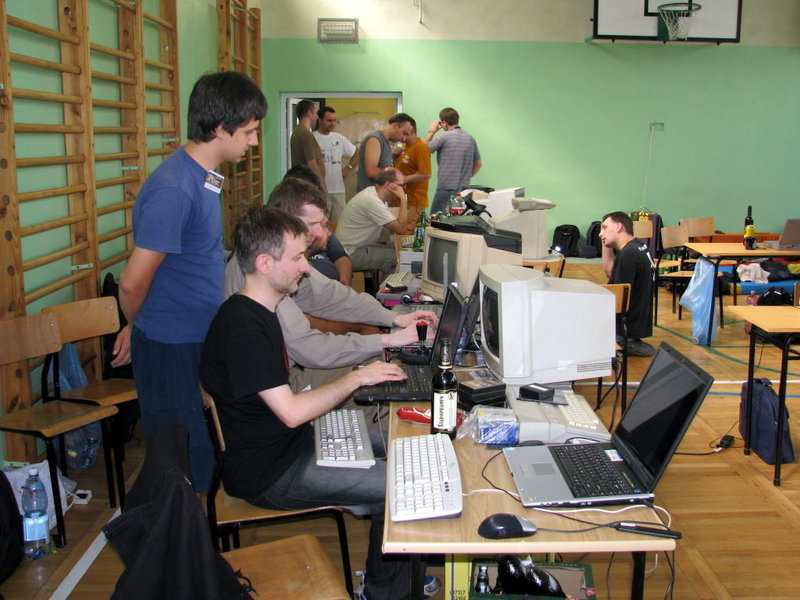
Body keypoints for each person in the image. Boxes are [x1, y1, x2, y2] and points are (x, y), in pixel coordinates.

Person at [201, 206, 420, 600]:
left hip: (291, 444)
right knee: (400, 487)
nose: (305, 268)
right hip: (271, 472)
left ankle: (395, 574)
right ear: (265, 263)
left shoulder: (260, 310)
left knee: (404, 447)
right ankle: (384, 591)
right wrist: (358, 376)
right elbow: (291, 412)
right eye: (298, 258)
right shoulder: (243, 329)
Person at [111, 71, 267, 492]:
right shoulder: (174, 189)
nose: (254, 142)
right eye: (249, 132)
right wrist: (136, 327)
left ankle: (199, 526)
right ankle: (176, 532)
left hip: (195, 333)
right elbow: (132, 283)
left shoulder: (206, 178)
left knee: (206, 447)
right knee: (180, 457)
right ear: (220, 128)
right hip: (170, 342)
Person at [224, 177, 438, 393]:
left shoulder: (278, 258)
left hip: (288, 370)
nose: (321, 233)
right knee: (387, 377)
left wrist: (395, 318)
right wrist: (386, 341)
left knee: (382, 364)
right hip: (280, 386)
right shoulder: (265, 272)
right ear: (286, 222)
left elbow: (331, 295)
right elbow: (308, 348)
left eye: (322, 223)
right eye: (312, 225)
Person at [600, 211, 656, 357]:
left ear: (619, 226)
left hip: (625, 330)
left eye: (604, 228)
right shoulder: (638, 246)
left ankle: (624, 343)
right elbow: (609, 271)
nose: (600, 233)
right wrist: (605, 241)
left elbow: (617, 299)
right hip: (635, 327)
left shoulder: (628, 254)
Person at [337, 167, 410, 275]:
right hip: (350, 253)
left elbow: (395, 224)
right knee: (401, 257)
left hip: (356, 248)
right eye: (401, 185)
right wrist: (403, 198)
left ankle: (386, 284)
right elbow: (401, 229)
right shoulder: (372, 201)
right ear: (389, 185)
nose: (403, 189)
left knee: (398, 249)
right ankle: (386, 285)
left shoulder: (374, 194)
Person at [424, 107, 482, 215]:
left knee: (436, 219)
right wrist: (466, 176)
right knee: (455, 219)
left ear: (444, 123)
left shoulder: (444, 136)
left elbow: (424, 150)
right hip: (462, 190)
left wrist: (432, 131)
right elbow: (478, 164)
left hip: (445, 188)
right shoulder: (470, 139)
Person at [313, 106, 359, 222]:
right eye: (329, 120)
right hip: (320, 192)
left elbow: (357, 153)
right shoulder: (313, 138)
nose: (332, 123)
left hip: (338, 191)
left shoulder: (339, 138)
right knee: (321, 225)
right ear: (320, 120)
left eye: (334, 120)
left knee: (339, 226)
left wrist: (348, 168)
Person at [356, 113, 414, 192]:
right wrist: (397, 178)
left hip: (378, 195)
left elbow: (383, 166)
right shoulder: (375, 139)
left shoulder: (386, 142)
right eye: (404, 133)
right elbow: (372, 171)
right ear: (395, 126)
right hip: (370, 195)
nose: (404, 139)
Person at [394, 121, 431, 224]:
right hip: (400, 199)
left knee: (406, 231)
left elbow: (425, 174)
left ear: (413, 131)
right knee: (397, 230)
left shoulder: (421, 147)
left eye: (406, 133)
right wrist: (394, 156)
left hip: (414, 201)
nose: (402, 137)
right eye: (402, 133)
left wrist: (404, 179)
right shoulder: (404, 147)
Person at [290, 99, 328, 195]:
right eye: (315, 113)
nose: (317, 117)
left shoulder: (297, 131)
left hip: (304, 185)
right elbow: (312, 163)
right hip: (309, 186)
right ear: (309, 113)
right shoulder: (305, 134)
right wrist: (323, 188)